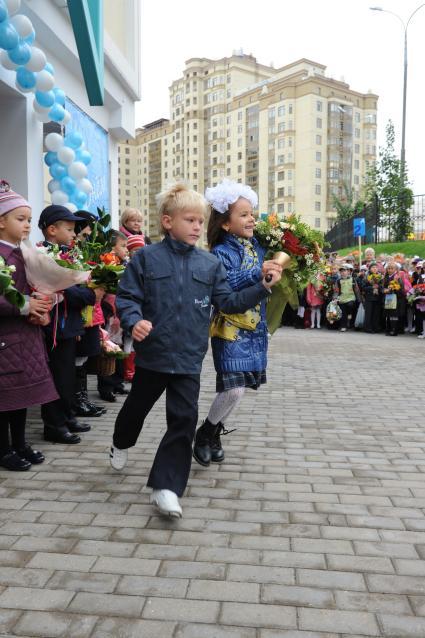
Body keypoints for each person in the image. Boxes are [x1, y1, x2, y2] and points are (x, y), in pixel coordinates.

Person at [109, 183, 282, 518]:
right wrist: (134, 322)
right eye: (189, 220)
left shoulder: (209, 264)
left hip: (189, 358)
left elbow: (229, 303)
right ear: (167, 222)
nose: (197, 227)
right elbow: (128, 298)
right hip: (153, 355)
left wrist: (262, 288)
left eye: (201, 221)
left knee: (184, 420)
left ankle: (166, 487)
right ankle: (120, 441)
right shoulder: (145, 258)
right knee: (136, 409)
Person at [192, 180, 284, 469]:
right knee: (233, 389)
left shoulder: (256, 244)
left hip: (254, 329)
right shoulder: (220, 252)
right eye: (243, 214)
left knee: (240, 387)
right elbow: (227, 285)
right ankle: (206, 432)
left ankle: (213, 432)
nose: (251, 219)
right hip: (229, 328)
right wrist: (260, 272)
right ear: (225, 224)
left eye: (252, 213)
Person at [0, 181, 58, 470]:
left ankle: (20, 443)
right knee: (4, 397)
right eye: (19, 219)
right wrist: (24, 305)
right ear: (1, 222)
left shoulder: (26, 252)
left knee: (22, 393)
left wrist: (44, 304)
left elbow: (37, 285)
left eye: (28, 220)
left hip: (27, 334)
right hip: (6, 336)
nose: (26, 225)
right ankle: (3, 449)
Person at [39, 205, 102, 443]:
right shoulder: (45, 256)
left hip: (69, 324)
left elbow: (77, 288)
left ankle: (66, 416)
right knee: (57, 376)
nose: (74, 234)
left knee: (67, 376)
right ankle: (54, 424)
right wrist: (89, 295)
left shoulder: (69, 254)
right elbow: (69, 291)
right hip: (55, 326)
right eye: (69, 229)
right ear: (52, 230)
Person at [361, 262, 383, 333]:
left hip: (377, 297)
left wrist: (378, 287)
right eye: (373, 267)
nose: (374, 269)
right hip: (369, 297)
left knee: (376, 313)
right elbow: (363, 287)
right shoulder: (366, 276)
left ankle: (375, 327)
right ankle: (368, 327)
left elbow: (382, 287)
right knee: (369, 313)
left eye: (376, 267)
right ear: (369, 269)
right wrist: (372, 287)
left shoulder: (380, 276)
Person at [335, 264, 357, 332]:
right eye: (341, 271)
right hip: (342, 298)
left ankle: (350, 314)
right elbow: (336, 291)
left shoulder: (353, 279)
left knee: (350, 305)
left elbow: (356, 289)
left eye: (344, 271)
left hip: (351, 297)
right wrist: (335, 298)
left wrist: (360, 299)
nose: (343, 272)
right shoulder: (338, 281)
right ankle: (343, 326)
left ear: (348, 271)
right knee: (343, 313)